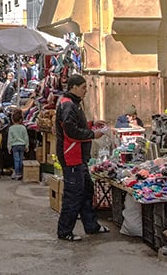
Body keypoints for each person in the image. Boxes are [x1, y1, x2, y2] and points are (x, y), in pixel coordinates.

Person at [55, 74, 109, 241]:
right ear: (74, 87)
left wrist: (91, 123)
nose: (86, 91)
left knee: (86, 191)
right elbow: (71, 131)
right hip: (72, 156)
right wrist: (93, 134)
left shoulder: (72, 104)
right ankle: (65, 231)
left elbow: (76, 125)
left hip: (79, 157)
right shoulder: (68, 105)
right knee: (74, 194)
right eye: (84, 87)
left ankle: (91, 226)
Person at [7, 108, 28, 180]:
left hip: (14, 145)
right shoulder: (23, 128)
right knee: (21, 159)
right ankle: (21, 173)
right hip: (22, 145)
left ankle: (17, 173)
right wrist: (27, 146)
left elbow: (10, 139)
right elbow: (26, 137)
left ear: (12, 120)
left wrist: (9, 147)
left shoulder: (11, 128)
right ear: (21, 120)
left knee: (16, 159)